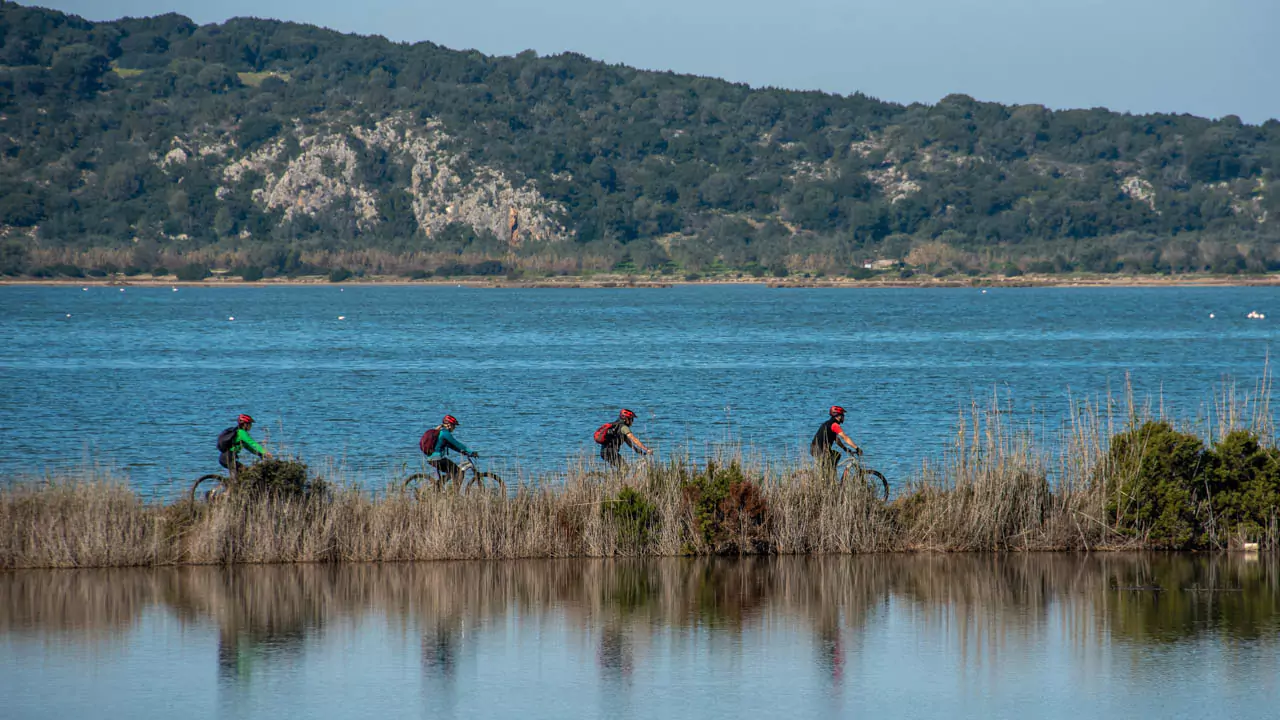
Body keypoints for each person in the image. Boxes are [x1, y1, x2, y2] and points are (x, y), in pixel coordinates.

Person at [422, 414, 477, 488]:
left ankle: (438, 486)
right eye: (454, 425)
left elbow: (451, 446)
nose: (454, 428)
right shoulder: (445, 433)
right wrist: (470, 452)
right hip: (438, 459)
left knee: (452, 472)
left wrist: (462, 452)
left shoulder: (441, 433)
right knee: (458, 472)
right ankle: (455, 494)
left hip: (432, 459)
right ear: (449, 425)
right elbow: (456, 443)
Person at [810, 405, 861, 480]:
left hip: (815, 448)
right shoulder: (834, 425)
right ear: (838, 416)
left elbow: (836, 439)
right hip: (820, 450)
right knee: (830, 465)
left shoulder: (828, 423)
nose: (844, 417)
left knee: (836, 455)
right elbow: (845, 437)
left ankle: (829, 477)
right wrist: (857, 448)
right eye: (843, 415)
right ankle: (826, 480)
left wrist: (845, 449)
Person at [217, 413, 270, 481]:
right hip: (228, 458)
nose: (251, 426)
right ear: (245, 424)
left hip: (225, 458)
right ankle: (232, 488)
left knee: (241, 474)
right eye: (250, 424)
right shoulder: (242, 433)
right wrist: (265, 452)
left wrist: (259, 454)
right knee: (242, 473)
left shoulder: (238, 433)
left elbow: (248, 447)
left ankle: (230, 487)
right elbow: (252, 443)